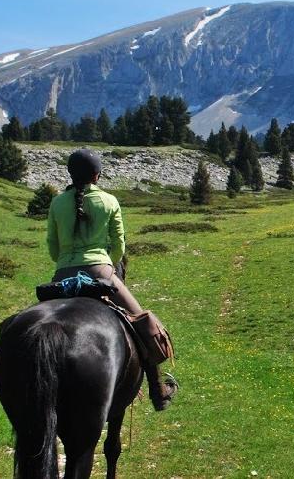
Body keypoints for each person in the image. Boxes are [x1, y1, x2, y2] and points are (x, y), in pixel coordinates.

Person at [47, 148, 176, 410]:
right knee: (145, 323)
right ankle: (158, 391)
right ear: (97, 176)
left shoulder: (57, 203)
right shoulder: (109, 201)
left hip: (61, 275)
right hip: (101, 271)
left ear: (70, 174)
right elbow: (119, 246)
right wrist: (109, 264)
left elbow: (53, 247)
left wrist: (66, 262)